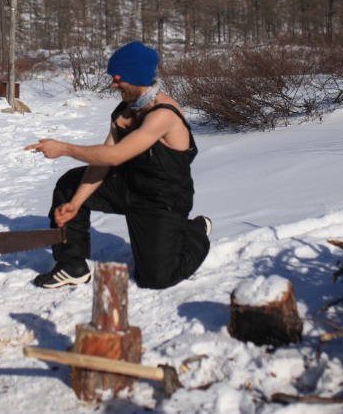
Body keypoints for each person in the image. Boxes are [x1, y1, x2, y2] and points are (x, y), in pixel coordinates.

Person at [25, 41, 210, 290]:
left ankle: (196, 229)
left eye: (118, 78)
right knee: (70, 184)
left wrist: (65, 149)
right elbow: (102, 162)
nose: (113, 84)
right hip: (128, 185)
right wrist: (75, 203)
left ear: (136, 78)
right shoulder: (124, 112)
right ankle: (71, 265)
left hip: (162, 199)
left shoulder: (163, 114)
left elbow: (115, 156)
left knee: (155, 279)